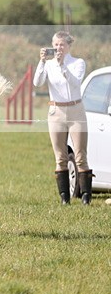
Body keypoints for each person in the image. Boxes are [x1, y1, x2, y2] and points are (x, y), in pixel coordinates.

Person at [33, 30, 92, 205]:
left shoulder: (78, 63)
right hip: (56, 111)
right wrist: (42, 62)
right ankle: (64, 197)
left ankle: (86, 196)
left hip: (75, 110)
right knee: (60, 157)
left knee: (80, 155)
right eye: (56, 45)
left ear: (68, 46)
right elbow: (37, 82)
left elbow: (75, 83)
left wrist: (62, 65)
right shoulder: (49, 65)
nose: (59, 48)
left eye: (62, 45)